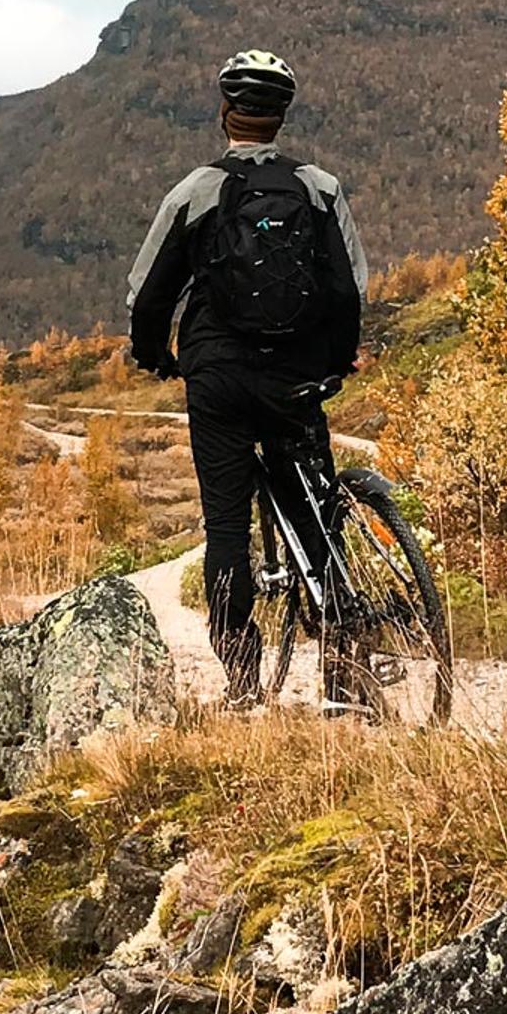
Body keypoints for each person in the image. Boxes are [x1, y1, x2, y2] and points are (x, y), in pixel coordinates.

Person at [125, 47, 370, 703]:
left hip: (220, 379)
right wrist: (341, 355)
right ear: (281, 116)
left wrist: (153, 353)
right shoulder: (319, 188)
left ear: (226, 111)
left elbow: (148, 295)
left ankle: (241, 683)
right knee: (319, 519)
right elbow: (350, 290)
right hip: (296, 376)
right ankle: (345, 676)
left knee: (226, 528)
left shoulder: (197, 190)